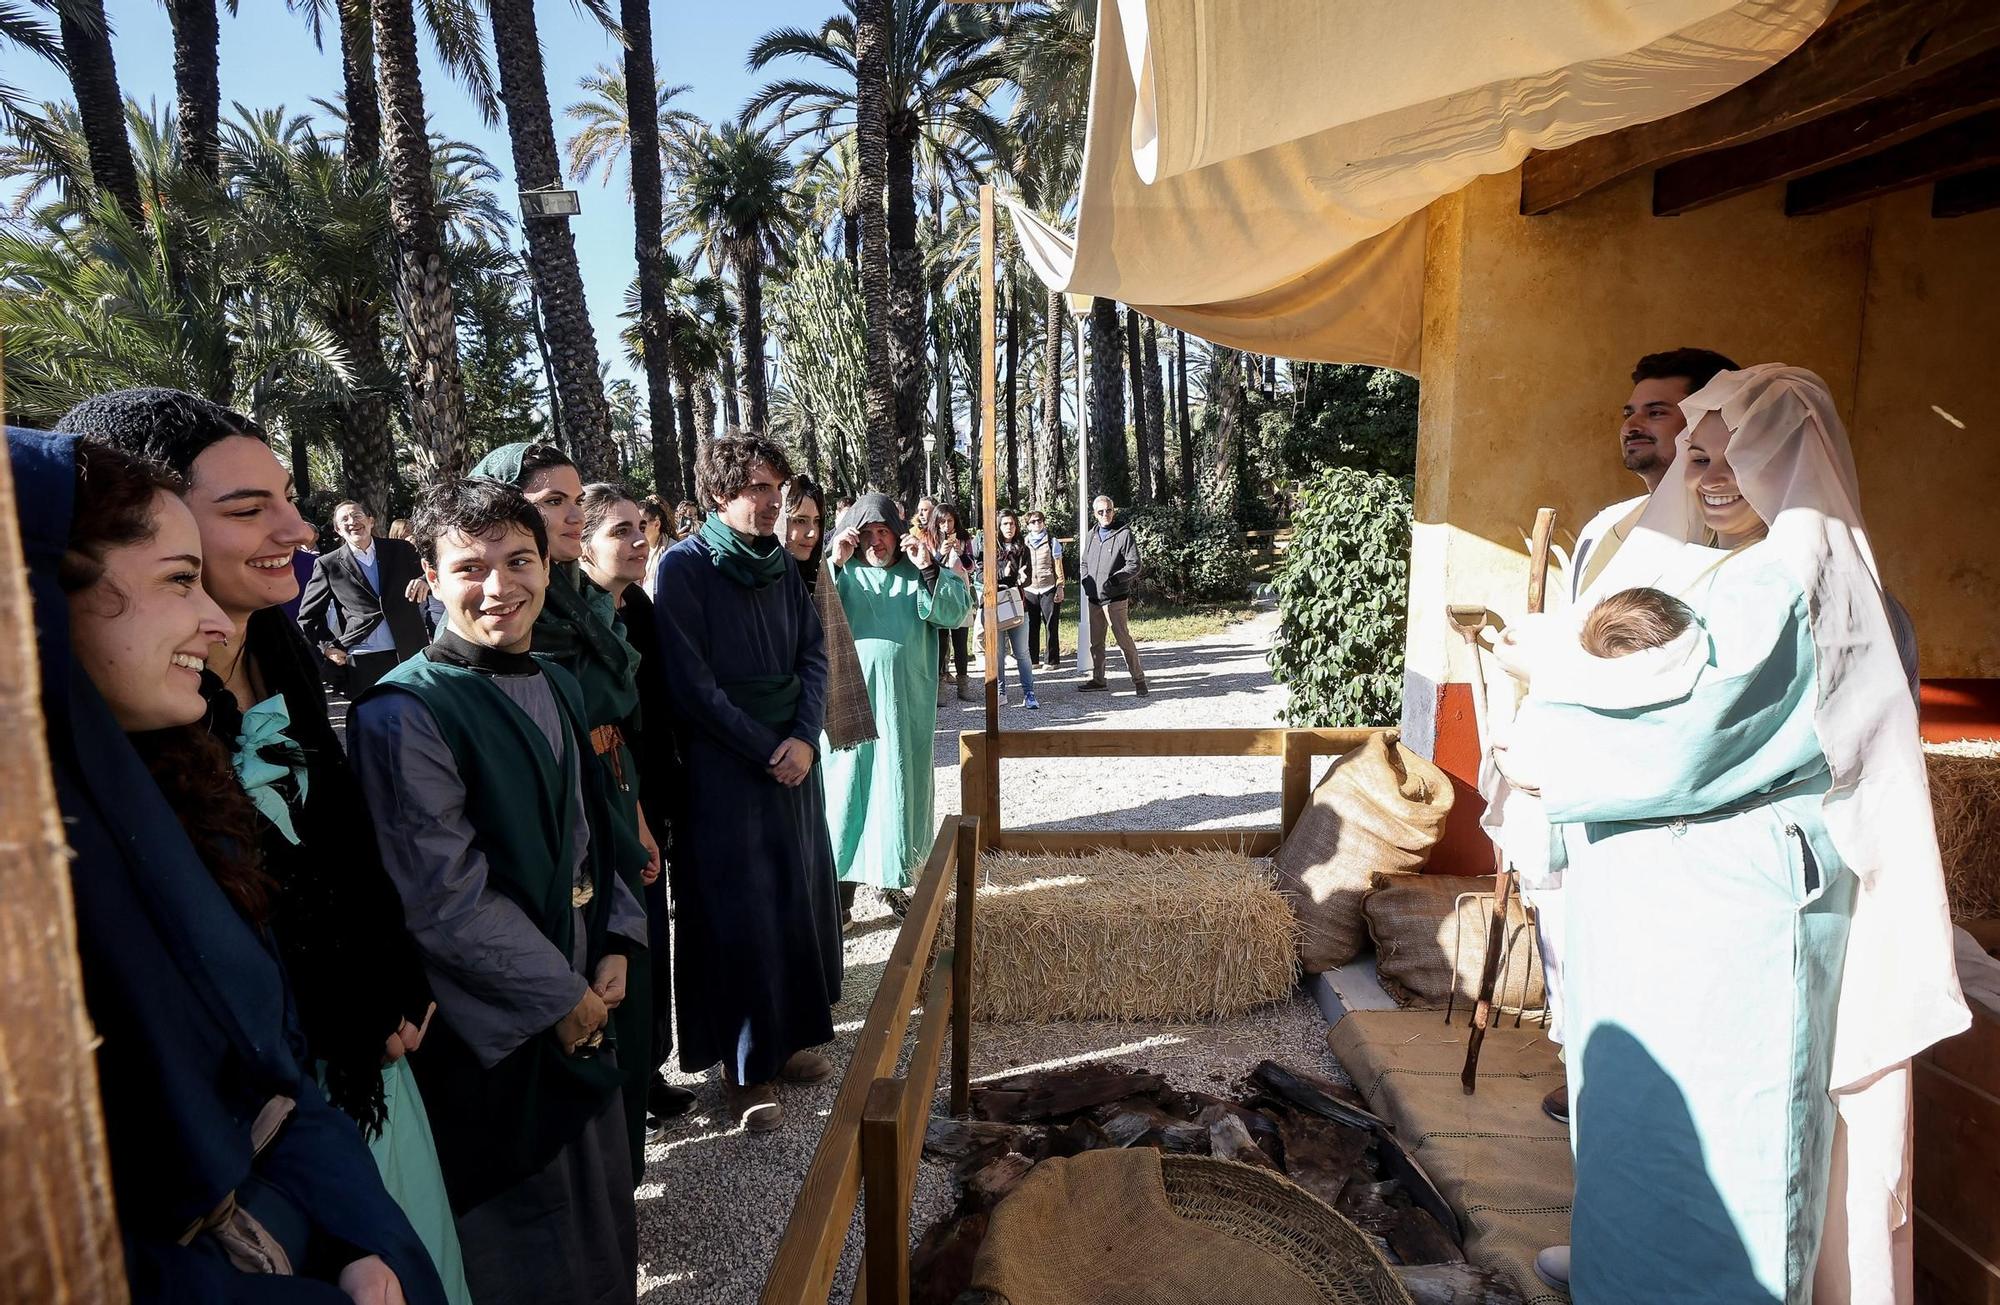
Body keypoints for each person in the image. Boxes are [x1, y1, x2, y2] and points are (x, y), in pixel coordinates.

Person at [1495, 366, 1968, 1302]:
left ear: (1793, 462)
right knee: (1640, 1140)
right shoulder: (1705, 568)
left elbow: (1685, 735)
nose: (1713, 478)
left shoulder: (1797, 587)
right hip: (1659, 937)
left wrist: (1549, 677)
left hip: (1734, 939)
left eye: (1739, 459)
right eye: (1701, 457)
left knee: (1730, 1158)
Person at [12, 427, 446, 1305]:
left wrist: (353, 1238)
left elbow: (271, 1092)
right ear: (40, 602)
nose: (211, 620)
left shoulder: (176, 797)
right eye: (180, 579)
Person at [348, 479, 646, 1305]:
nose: (499, 587)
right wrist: (560, 996)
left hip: (583, 991)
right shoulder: (403, 711)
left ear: (549, 567)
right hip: (498, 1032)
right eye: (470, 567)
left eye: (519, 561)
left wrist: (617, 940)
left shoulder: (555, 681)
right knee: (533, 1243)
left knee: (603, 1227)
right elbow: (444, 898)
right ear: (431, 579)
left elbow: (598, 825)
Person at [468, 443, 658, 1173]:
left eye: (577, 500)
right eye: (553, 501)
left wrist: (635, 807)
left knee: (627, 971)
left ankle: (621, 1158)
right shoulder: (514, 619)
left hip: (615, 785)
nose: (574, 514)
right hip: (570, 805)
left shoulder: (579, 597)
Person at [651, 435, 843, 1133]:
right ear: (718, 493)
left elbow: (813, 654)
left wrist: (804, 736)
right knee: (740, 912)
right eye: (756, 489)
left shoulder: (779, 565)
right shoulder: (684, 567)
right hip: (727, 770)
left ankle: (786, 1039)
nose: (771, 502)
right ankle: (742, 1069)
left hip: (791, 762)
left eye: (775, 489)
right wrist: (768, 746)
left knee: (793, 899)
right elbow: (692, 686)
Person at [575, 482, 700, 1138]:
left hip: (652, 791)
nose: (637, 539)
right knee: (619, 940)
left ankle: (651, 1069)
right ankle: (623, 1081)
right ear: (585, 541)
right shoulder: (574, 621)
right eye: (620, 530)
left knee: (652, 940)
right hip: (610, 804)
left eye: (639, 528)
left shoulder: (641, 609)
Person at [823, 493, 974, 915]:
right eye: (866, 534)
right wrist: (834, 560)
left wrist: (929, 567)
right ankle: (841, 898)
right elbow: (807, 614)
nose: (875, 542)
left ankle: (896, 882)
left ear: (896, 532)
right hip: (849, 704)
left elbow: (955, 612)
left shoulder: (919, 570)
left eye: (882, 532)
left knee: (898, 788)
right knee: (848, 794)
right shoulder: (841, 573)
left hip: (905, 704)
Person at [781, 474, 882, 928]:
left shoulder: (813, 568)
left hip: (810, 728)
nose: (808, 532)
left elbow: (821, 646)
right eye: (798, 520)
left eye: (816, 522)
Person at [1570, 348, 1741, 603]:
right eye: (1629, 414)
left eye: (1656, 412)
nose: (1630, 427)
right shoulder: (1602, 526)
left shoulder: (1734, 529)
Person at [299, 500, 432, 698]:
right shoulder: (328, 564)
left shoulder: (401, 549)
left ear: (371, 521)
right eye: (344, 519)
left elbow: (435, 567)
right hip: (363, 658)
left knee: (420, 713)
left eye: (357, 515)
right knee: (373, 719)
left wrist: (425, 580)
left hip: (410, 650)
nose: (352, 521)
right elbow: (308, 617)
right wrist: (327, 648)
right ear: (337, 529)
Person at [1079, 494, 1147, 694]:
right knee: (1096, 643)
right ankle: (1098, 679)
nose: (1105, 514)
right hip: (1094, 598)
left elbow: (1134, 564)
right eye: (1100, 511)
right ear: (1095, 514)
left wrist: (1116, 580)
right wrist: (1086, 582)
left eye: (1108, 510)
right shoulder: (1092, 534)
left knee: (1123, 640)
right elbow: (1084, 562)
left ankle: (1139, 680)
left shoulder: (1123, 534)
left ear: (1113, 511)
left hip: (1115, 599)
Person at [982, 509, 1039, 708]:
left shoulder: (1023, 548)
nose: (1009, 528)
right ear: (998, 526)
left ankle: (1029, 693)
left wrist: (1024, 578)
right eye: (1005, 524)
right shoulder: (988, 547)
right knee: (997, 654)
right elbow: (980, 575)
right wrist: (1000, 571)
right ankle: (1000, 692)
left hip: (1017, 604)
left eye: (1012, 524)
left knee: (1022, 652)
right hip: (994, 605)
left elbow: (1028, 575)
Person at [931, 503, 976, 702]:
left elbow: (971, 567)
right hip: (940, 596)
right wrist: (940, 553)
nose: (946, 525)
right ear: (936, 522)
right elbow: (929, 568)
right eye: (942, 521)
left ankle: (963, 684)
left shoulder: (965, 539)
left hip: (959, 596)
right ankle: (940, 686)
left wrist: (960, 552)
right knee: (941, 643)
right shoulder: (930, 539)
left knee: (960, 642)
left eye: (950, 521)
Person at [1022, 508, 1065, 668]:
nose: (1037, 523)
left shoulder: (1052, 541)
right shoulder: (1024, 542)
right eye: (1033, 521)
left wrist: (1060, 586)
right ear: (1028, 525)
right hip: (1030, 589)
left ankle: (1052, 660)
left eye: (1039, 520)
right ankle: (1033, 660)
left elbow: (1058, 566)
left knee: (1051, 624)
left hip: (1049, 587)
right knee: (1032, 625)